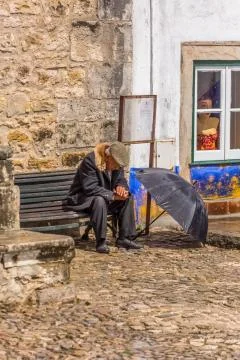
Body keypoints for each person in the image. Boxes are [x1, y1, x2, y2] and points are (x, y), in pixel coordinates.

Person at [64, 141, 142, 254]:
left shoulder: (116, 163)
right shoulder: (90, 161)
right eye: (115, 164)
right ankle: (100, 242)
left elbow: (121, 179)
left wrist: (121, 188)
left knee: (127, 197)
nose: (116, 168)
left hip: (104, 198)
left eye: (119, 166)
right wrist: (113, 196)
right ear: (108, 156)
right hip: (84, 199)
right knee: (99, 200)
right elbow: (90, 188)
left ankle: (124, 238)